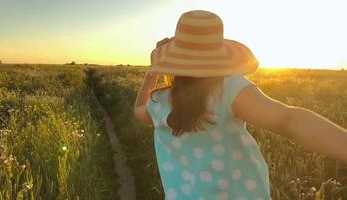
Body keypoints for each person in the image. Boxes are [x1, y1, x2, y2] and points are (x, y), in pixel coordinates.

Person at [133, 10, 347, 200]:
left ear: (174, 60)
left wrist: (153, 72)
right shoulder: (228, 89)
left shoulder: (158, 102)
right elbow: (288, 120)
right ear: (218, 56)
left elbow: (137, 111)